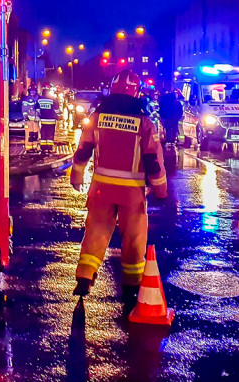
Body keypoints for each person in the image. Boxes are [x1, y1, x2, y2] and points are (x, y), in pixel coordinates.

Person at [69, 70, 168, 310]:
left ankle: (85, 275)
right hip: (131, 193)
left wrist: (77, 174)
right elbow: (152, 160)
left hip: (101, 188)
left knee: (96, 231)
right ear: (137, 92)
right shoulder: (144, 123)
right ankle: (132, 287)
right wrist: (161, 190)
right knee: (134, 238)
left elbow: (84, 150)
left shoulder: (98, 115)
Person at [37, 89, 59, 154]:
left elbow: (37, 109)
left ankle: (43, 148)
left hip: (43, 120)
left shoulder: (39, 100)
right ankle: (49, 148)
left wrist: (40, 115)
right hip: (51, 120)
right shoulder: (53, 101)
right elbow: (56, 110)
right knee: (50, 134)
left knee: (43, 133)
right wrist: (58, 115)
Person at [23, 86, 41, 154]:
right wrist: (25, 117)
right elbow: (24, 109)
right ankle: (29, 148)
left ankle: (35, 147)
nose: (32, 92)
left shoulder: (37, 99)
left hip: (36, 121)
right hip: (29, 121)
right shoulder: (26, 100)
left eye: (34, 91)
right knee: (29, 134)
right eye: (31, 91)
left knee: (36, 134)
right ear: (29, 91)